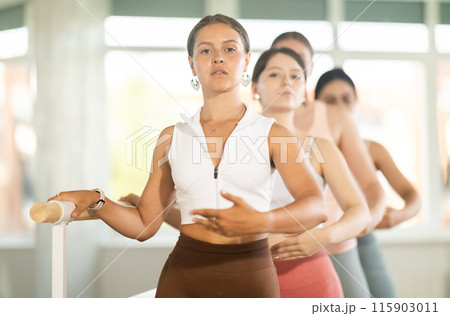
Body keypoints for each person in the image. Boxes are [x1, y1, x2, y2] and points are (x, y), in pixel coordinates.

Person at [48, 14, 326, 298]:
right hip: (184, 277)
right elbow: (145, 225)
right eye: (206, 50)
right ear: (192, 64)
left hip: (252, 276)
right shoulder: (171, 137)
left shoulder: (273, 134)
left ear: (246, 60)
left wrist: (261, 221)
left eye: (230, 49)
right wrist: (96, 200)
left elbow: (317, 207)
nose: (218, 58)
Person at [250, 47, 371, 297]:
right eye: (274, 74)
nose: (287, 81)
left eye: (296, 76)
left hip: (313, 278)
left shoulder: (320, 147)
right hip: (248, 276)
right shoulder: (231, 145)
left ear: (304, 90)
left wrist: (323, 236)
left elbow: (360, 212)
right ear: (254, 88)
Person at [315, 68, 422, 297]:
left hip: (364, 236)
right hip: (328, 242)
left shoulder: (373, 150)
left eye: (346, 99)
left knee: (385, 298)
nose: (340, 107)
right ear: (316, 105)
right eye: (330, 101)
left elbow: (412, 195)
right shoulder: (310, 150)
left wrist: (399, 216)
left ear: (356, 102)